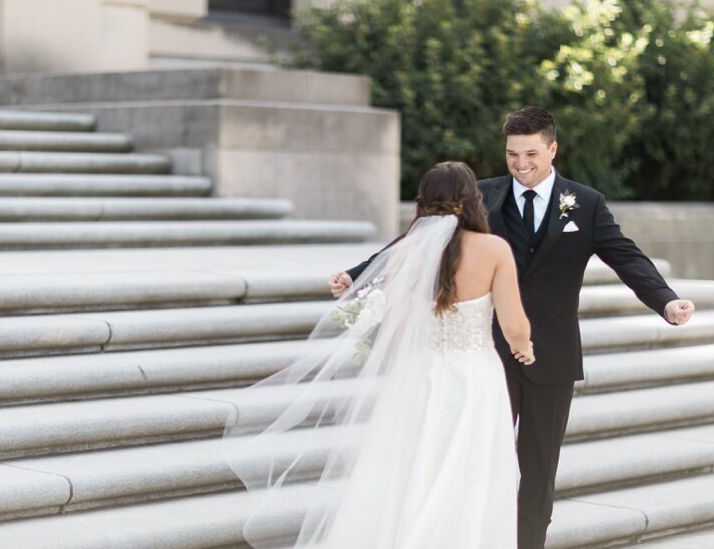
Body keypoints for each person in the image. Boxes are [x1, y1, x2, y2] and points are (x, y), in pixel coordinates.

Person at [330, 106, 696, 549]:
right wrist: (358, 272)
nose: (521, 165)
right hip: (486, 355)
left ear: (552, 149)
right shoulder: (481, 194)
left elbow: (627, 255)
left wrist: (666, 300)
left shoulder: (585, 202)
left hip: (553, 357)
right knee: (477, 463)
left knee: (538, 474)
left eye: (531, 155)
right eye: (512, 155)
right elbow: (418, 239)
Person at [225, 161, 533, 549]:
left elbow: (399, 325)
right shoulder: (493, 250)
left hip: (418, 374)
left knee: (407, 469)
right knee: (469, 469)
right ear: (473, 201)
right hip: (473, 376)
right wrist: (524, 348)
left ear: (423, 201)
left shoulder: (408, 251)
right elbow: (514, 326)